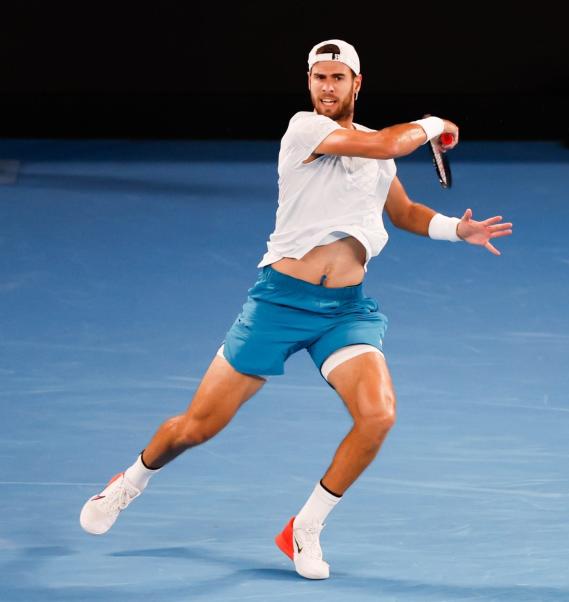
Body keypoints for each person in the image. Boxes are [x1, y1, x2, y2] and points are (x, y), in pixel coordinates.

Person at [79, 39, 513, 580]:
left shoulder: (373, 151)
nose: (326, 87)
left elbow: (403, 212)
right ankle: (130, 482)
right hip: (278, 305)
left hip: (345, 312)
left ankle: (303, 527)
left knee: (378, 416)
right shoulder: (305, 130)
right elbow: (385, 146)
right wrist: (434, 122)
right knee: (196, 427)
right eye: (318, 78)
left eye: (337, 78)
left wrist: (456, 230)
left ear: (357, 83)